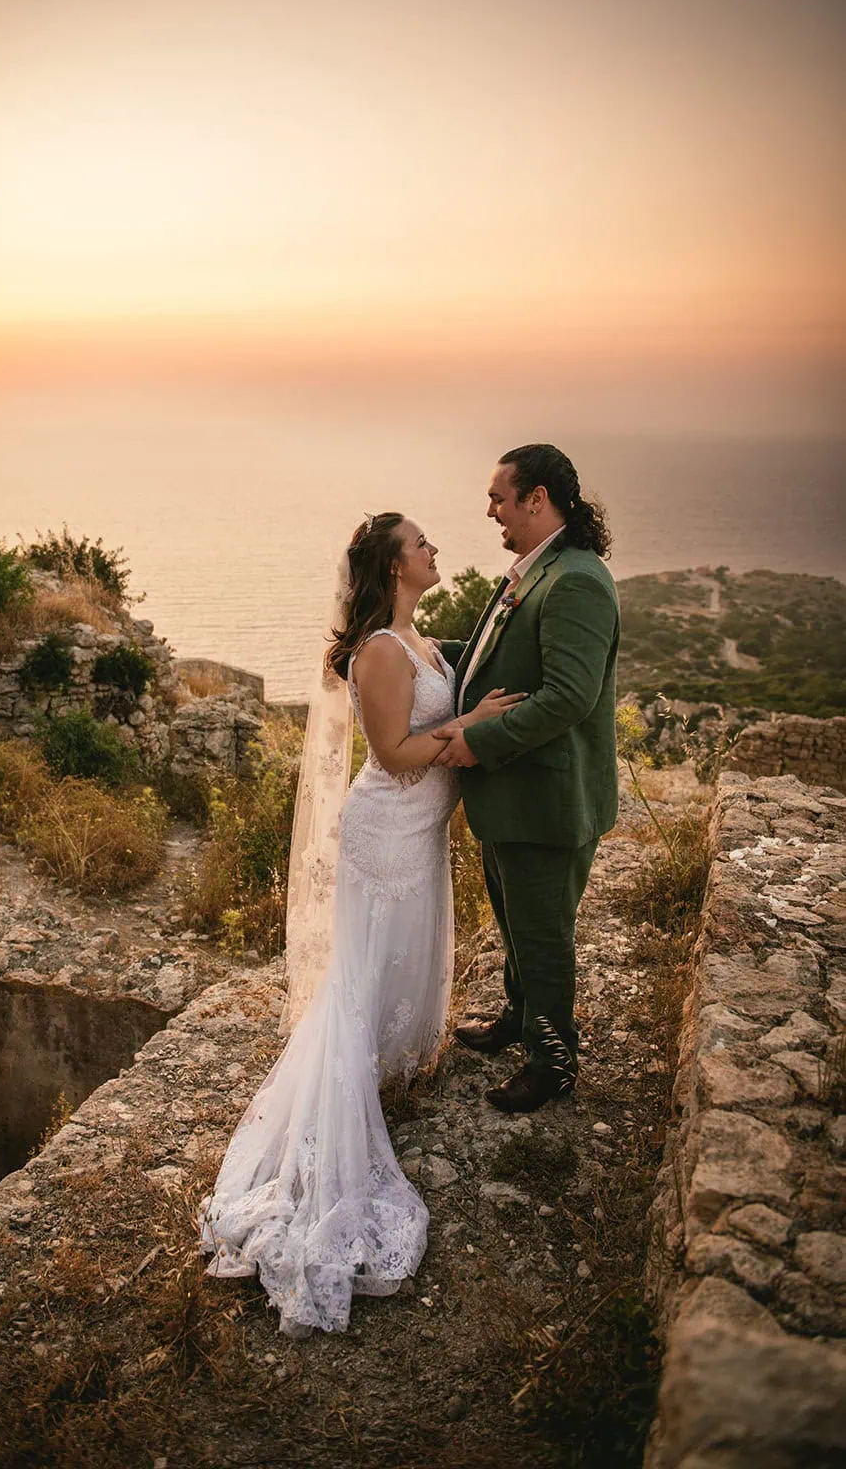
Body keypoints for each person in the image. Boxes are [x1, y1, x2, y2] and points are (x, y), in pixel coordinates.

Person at [199, 513, 522, 1336]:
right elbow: (394, 756)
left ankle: (395, 1064)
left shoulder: (427, 644)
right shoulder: (381, 648)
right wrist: (475, 724)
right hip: (385, 834)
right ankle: (348, 1103)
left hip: (419, 836)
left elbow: (427, 736)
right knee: (366, 969)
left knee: (407, 956)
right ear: (391, 566)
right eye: (421, 543)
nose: (434, 549)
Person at [432, 444, 619, 1114]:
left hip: (547, 801)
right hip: (514, 799)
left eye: (499, 497)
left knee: (542, 936)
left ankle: (553, 1062)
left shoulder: (576, 581)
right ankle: (519, 1018)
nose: (491, 510)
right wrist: (417, 651)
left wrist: (477, 744)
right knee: (517, 924)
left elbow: (569, 696)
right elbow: (493, 663)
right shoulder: (533, 570)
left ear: (537, 499)